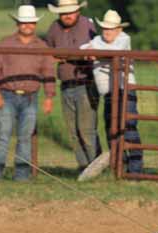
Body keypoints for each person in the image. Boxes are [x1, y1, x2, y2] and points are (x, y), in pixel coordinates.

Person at [0, 5, 55, 182]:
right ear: (18, 23)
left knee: (25, 138)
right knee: (3, 136)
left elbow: (48, 72)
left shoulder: (42, 46)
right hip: (7, 94)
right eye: (24, 22)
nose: (27, 25)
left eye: (31, 22)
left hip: (30, 97)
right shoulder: (5, 43)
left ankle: (22, 177)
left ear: (35, 24)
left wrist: (49, 97)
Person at [80, 10, 143, 174]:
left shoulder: (124, 39)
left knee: (129, 126)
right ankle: (119, 164)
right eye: (105, 28)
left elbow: (115, 50)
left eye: (111, 28)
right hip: (109, 93)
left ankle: (135, 167)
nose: (107, 31)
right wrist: (89, 51)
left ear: (119, 30)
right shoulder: (97, 40)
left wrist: (95, 53)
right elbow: (83, 48)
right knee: (111, 128)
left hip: (125, 90)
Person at [46, 0, 100, 170]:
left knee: (86, 130)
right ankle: (84, 167)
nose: (67, 16)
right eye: (63, 13)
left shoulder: (88, 25)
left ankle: (95, 167)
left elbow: (92, 52)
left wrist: (64, 56)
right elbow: (48, 54)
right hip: (66, 84)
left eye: (70, 12)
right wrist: (75, 55)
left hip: (86, 82)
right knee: (73, 132)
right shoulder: (54, 28)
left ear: (77, 11)